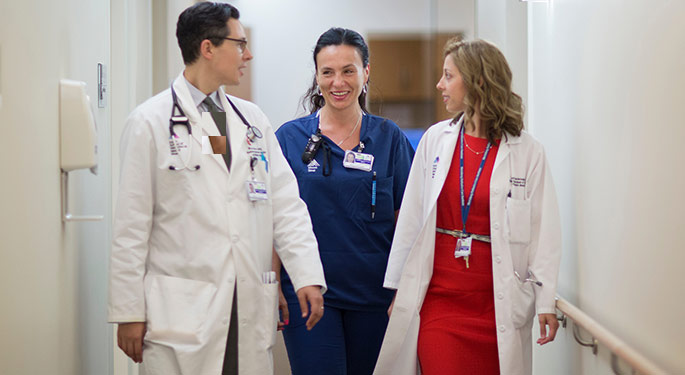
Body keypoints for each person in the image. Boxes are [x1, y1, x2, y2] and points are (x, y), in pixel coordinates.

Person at [107, 3, 326, 375]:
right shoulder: (149, 122)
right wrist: (128, 311)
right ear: (208, 48)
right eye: (240, 44)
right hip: (181, 313)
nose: (249, 54)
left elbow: (286, 206)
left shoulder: (251, 120)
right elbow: (131, 226)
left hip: (246, 304)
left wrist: (306, 274)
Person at [373, 38, 562, 375]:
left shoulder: (527, 151)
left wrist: (546, 299)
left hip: (497, 303)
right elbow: (412, 218)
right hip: (440, 303)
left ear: (477, 81)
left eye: (448, 76)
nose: (439, 85)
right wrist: (400, 290)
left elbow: (543, 230)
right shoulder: (436, 139)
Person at [273, 28, 415, 375]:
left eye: (348, 70)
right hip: (308, 292)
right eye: (328, 72)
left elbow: (408, 223)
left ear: (366, 72)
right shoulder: (290, 138)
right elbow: (274, 220)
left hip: (375, 297)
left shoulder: (389, 138)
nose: (338, 82)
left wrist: (405, 289)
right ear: (317, 77)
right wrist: (273, 284)